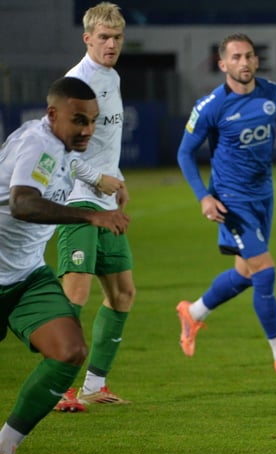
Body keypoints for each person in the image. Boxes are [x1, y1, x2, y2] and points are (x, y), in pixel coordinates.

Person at [0, 77, 130, 454]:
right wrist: (90, 217)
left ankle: (4, 451)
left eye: (92, 121)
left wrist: (101, 181)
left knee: (70, 352)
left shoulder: (60, 147)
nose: (88, 130)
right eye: (79, 120)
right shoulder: (36, 144)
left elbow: (71, 167)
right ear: (53, 114)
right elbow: (22, 202)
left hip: (25, 277)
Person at [176, 33, 276, 373]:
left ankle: (192, 313)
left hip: (263, 197)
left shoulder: (272, 93)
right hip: (231, 201)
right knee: (265, 272)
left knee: (244, 274)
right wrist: (204, 197)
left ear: (256, 60)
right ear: (223, 64)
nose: (244, 63)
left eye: (249, 56)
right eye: (236, 57)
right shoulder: (211, 106)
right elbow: (185, 153)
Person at [53, 2, 134, 412]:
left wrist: (116, 181)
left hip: (106, 199)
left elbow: (103, 146)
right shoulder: (76, 82)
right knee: (75, 294)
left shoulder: (112, 77)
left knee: (122, 294)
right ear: (87, 38)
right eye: (104, 37)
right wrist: (97, 179)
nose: (111, 44)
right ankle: (59, 389)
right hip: (77, 201)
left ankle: (93, 384)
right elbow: (61, 149)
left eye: (117, 37)